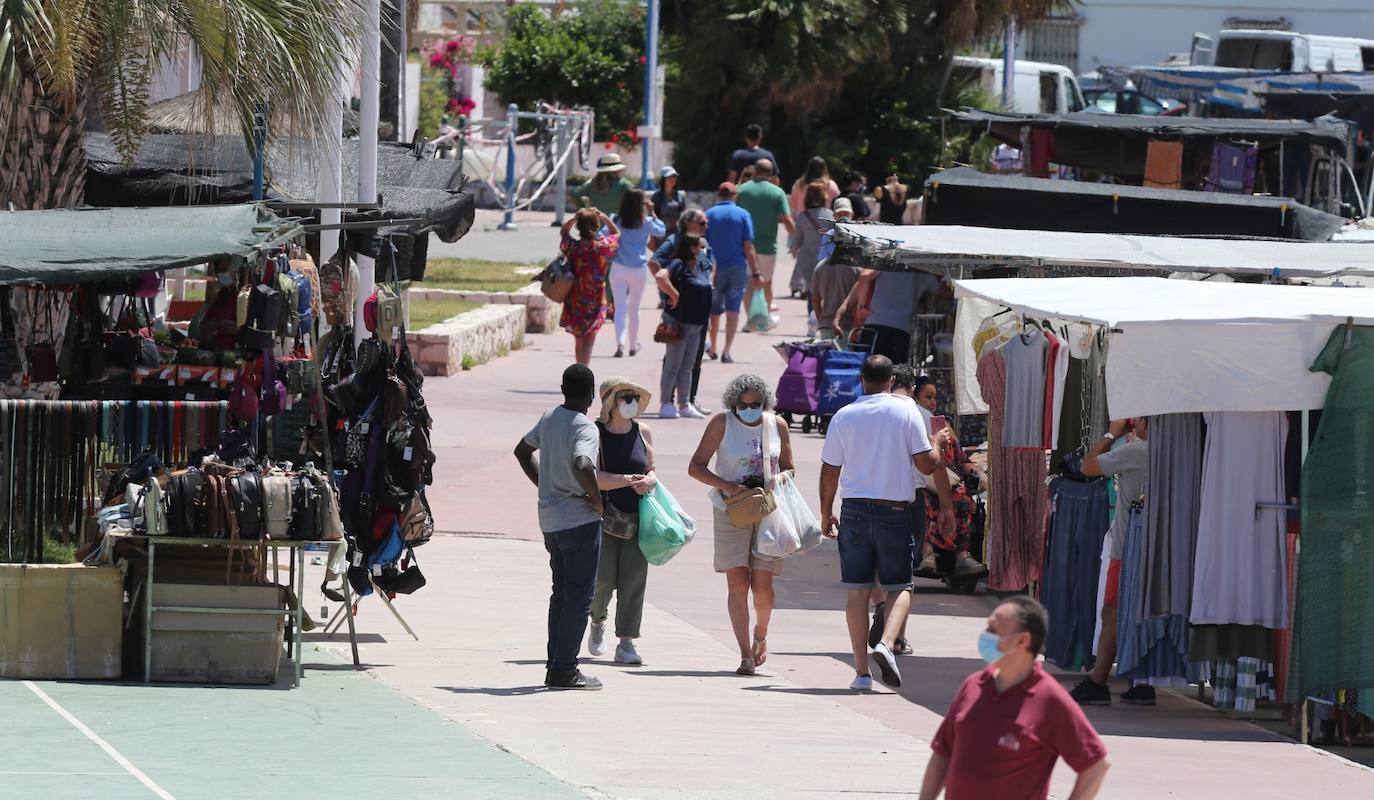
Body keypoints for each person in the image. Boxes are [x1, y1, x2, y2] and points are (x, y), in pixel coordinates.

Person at [819, 355, 949, 691]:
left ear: (862, 380)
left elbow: (830, 470)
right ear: (892, 381)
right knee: (901, 585)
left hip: (854, 510)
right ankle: (887, 643)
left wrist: (824, 511)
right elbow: (925, 465)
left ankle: (861, 673)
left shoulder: (843, 416)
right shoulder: (906, 410)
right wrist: (936, 444)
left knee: (857, 592)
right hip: (894, 511)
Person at [919, 596, 1111, 800]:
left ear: (1023, 640)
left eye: (994, 630)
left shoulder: (1049, 698)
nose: (986, 636)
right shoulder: (973, 685)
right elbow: (942, 753)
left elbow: (1096, 765)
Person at [688, 374, 794, 676]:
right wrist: (727, 485)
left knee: (763, 586)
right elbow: (695, 466)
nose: (749, 409)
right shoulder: (722, 423)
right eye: (743, 405)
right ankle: (746, 653)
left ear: (766, 403)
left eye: (756, 404)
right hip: (730, 509)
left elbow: (789, 467)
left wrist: (777, 479)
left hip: (767, 511)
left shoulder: (778, 425)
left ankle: (761, 634)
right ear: (733, 404)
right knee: (737, 581)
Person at [513, 364, 605, 690]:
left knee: (562, 594)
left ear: (563, 389)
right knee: (580, 598)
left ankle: (556, 665)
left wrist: (543, 484)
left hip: (550, 521)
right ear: (592, 394)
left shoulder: (550, 418)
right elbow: (583, 463)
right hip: (579, 520)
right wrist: (596, 500)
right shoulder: (585, 428)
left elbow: (522, 451)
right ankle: (565, 669)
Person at [1071, 418, 1151, 707]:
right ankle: (1143, 682)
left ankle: (1098, 681)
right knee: (1143, 612)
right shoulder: (1168, 452)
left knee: (1112, 612)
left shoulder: (1136, 451)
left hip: (1126, 545)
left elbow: (1087, 466)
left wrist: (1110, 434)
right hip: (1154, 545)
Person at [589, 376, 658, 665]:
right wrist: (625, 480)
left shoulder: (643, 431)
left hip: (637, 516)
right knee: (602, 579)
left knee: (633, 581)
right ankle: (597, 620)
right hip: (602, 517)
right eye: (624, 397)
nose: (631, 401)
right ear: (610, 403)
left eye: (633, 396)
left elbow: (652, 469)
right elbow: (590, 477)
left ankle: (627, 642)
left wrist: (649, 482)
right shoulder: (595, 433)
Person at [909, 374, 987, 578]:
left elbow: (960, 458)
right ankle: (927, 555)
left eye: (935, 397)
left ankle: (962, 556)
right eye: (928, 397)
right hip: (922, 482)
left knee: (963, 500)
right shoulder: (911, 424)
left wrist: (976, 472)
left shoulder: (943, 426)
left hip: (949, 484)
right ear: (915, 397)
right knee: (922, 502)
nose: (933, 403)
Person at [649, 208, 714, 415]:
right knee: (673, 363)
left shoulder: (702, 260)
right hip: (680, 319)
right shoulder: (678, 261)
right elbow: (659, 272)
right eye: (699, 246)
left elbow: (710, 272)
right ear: (691, 247)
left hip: (698, 320)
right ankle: (666, 403)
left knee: (689, 364)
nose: (703, 248)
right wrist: (672, 294)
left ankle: (685, 404)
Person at [704, 183, 759, 364]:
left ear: (719, 195)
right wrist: (756, 272)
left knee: (714, 310)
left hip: (715, 268)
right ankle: (727, 351)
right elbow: (748, 246)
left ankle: (713, 347)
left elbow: (703, 243)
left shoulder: (709, 215)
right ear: (735, 196)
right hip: (737, 267)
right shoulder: (743, 215)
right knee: (733, 309)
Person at [836, 268, 939, 364]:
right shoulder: (920, 269)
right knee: (894, 374)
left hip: (875, 324)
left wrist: (861, 307)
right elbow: (940, 290)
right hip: (902, 328)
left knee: (871, 372)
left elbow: (865, 276)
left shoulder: (886, 260)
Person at [609, 188, 666, 358]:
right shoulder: (647, 222)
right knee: (634, 309)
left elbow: (603, 234)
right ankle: (633, 346)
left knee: (619, 307)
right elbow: (661, 230)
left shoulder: (616, 219)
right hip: (638, 269)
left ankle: (620, 342)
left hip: (619, 267)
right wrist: (653, 211)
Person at [559, 208, 621, 365]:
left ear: (579, 227)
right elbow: (616, 234)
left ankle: (580, 369)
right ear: (596, 226)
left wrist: (575, 218)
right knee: (589, 339)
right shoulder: (602, 247)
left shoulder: (573, 247)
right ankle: (584, 372)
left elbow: (564, 231)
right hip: (596, 297)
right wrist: (605, 216)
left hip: (576, 297)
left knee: (579, 340)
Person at [736, 160, 794, 315]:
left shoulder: (741, 190)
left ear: (755, 171)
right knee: (767, 283)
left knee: (749, 284)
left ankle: (750, 320)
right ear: (771, 174)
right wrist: (796, 238)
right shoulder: (777, 192)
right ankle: (765, 318)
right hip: (768, 247)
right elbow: (787, 220)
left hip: (745, 245)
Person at [809, 198, 857, 341]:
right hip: (847, 325)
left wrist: (821, 320)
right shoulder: (857, 269)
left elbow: (815, 300)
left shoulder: (820, 267)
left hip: (825, 325)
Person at [786, 181, 834, 300]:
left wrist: (793, 250)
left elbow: (796, 238)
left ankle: (809, 296)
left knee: (811, 284)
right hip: (825, 255)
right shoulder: (830, 215)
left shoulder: (803, 216)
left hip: (807, 256)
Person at [651, 166, 687, 240]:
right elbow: (652, 218)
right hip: (661, 235)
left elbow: (684, 215)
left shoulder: (681, 195)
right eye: (669, 177)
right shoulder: (656, 196)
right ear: (663, 179)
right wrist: (652, 239)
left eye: (674, 177)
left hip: (677, 234)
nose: (672, 179)